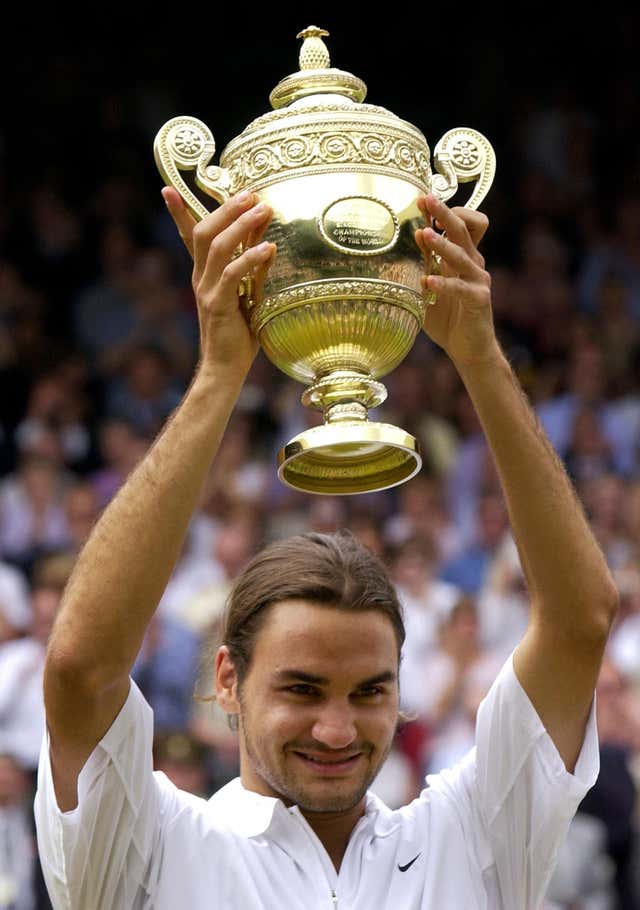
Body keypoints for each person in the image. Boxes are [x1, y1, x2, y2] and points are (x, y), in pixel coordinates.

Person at [34, 187, 618, 908]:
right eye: (300, 688)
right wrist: (219, 376)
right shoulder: (155, 844)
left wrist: (480, 354)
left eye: (370, 691)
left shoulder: (471, 837)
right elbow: (81, 669)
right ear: (227, 680)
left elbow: (581, 621)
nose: (338, 730)